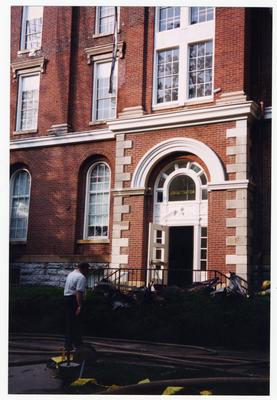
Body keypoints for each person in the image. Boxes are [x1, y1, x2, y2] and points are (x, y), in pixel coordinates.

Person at [64, 262, 90, 351]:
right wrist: (80, 305)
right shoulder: (81, 277)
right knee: (76, 323)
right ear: (84, 268)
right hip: (74, 300)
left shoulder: (71, 274)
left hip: (67, 299)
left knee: (70, 322)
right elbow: (79, 292)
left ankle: (70, 344)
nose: (88, 272)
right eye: (87, 270)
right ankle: (76, 344)